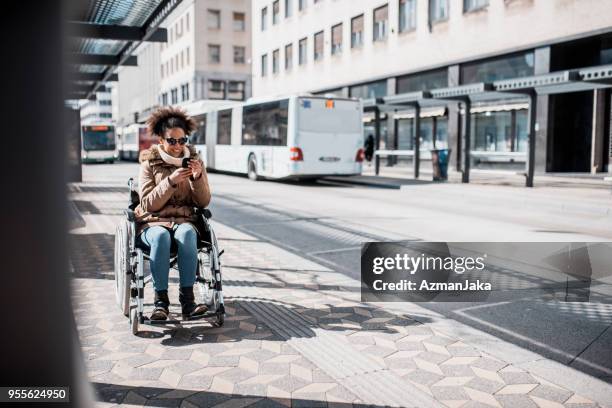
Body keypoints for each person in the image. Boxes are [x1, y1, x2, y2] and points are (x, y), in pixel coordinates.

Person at [134, 107, 212, 321]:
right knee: (160, 236)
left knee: (188, 234)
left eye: (182, 140)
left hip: (184, 220)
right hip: (153, 221)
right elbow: (148, 203)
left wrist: (197, 179)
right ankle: (161, 303)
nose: (178, 146)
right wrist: (170, 181)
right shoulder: (149, 163)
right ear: (161, 140)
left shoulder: (194, 160)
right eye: (172, 141)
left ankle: (188, 302)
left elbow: (203, 202)